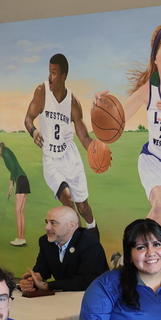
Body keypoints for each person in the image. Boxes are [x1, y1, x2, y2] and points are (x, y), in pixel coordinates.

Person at [98, 23, 161, 229]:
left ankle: (127, 255)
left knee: (155, 234)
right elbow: (117, 118)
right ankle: (129, 257)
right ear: (155, 58)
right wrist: (100, 107)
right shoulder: (150, 87)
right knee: (160, 206)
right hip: (154, 158)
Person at [24, 53, 100, 237]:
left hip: (70, 157)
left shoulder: (73, 103)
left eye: (55, 73)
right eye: (49, 72)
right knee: (67, 199)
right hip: (51, 159)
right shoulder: (42, 92)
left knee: (84, 208)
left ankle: (93, 236)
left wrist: (97, 152)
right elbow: (28, 119)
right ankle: (82, 244)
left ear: (64, 76)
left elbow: (83, 136)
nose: (50, 77)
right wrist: (34, 131)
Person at [19, 206, 108, 293]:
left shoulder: (89, 243)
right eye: (47, 222)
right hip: (64, 298)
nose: (47, 227)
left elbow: (86, 281)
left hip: (93, 296)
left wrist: (47, 286)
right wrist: (31, 280)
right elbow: (42, 271)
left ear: (71, 226)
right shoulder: (46, 242)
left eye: (53, 223)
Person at [0, 141, 31, 247]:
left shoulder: (5, 152)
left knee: (17, 210)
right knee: (20, 211)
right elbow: (13, 169)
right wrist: (11, 186)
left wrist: (11, 184)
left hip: (20, 179)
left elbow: (13, 167)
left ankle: (20, 238)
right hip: (23, 179)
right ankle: (21, 238)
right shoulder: (6, 152)